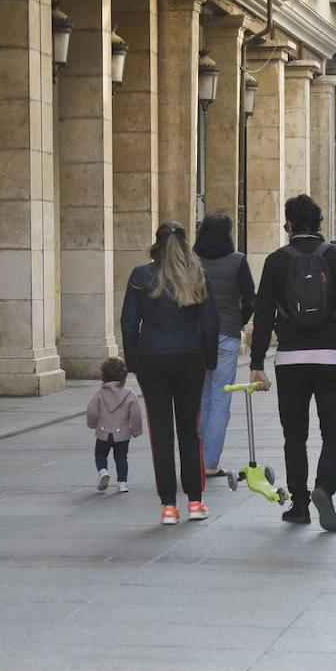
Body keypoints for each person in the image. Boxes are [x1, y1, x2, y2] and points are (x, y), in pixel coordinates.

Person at [249, 194, 336, 532]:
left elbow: (262, 316)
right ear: (320, 224)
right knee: (334, 431)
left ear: (288, 225)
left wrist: (257, 362)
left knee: (294, 434)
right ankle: (325, 487)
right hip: (333, 359)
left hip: (290, 360)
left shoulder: (276, 261)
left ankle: (300, 505)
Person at [121, 222, 219, 526]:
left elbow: (128, 323)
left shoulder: (140, 276)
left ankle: (168, 506)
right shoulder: (196, 275)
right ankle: (195, 501)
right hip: (189, 356)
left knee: (161, 433)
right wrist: (209, 361)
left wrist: (133, 361)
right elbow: (210, 324)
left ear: (157, 244)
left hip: (152, 356)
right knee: (190, 431)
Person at [193, 211, 256, 478]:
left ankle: (195, 459)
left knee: (202, 398)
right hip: (226, 334)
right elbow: (250, 299)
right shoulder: (237, 260)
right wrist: (238, 322)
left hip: (195, 335)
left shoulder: (192, 260)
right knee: (221, 399)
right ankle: (209, 463)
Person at [85, 357, 142, 494]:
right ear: (123, 375)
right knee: (121, 458)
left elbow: (91, 410)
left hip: (103, 432)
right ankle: (122, 483)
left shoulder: (99, 394)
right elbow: (135, 414)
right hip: (122, 434)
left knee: (100, 453)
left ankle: (103, 471)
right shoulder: (129, 394)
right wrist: (136, 430)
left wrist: (92, 424)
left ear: (103, 375)